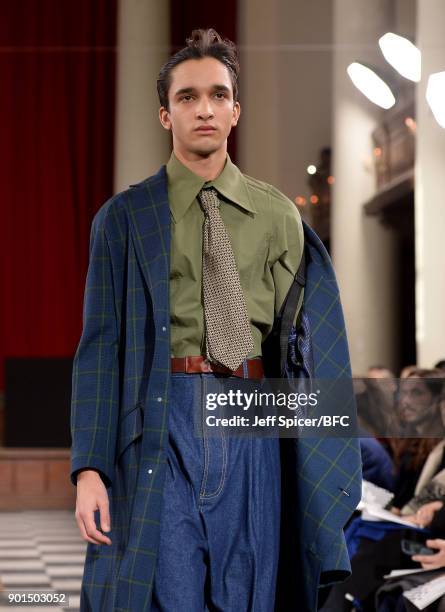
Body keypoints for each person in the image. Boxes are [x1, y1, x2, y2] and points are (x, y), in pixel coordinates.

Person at [70, 28, 360, 611]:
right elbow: (100, 347)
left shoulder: (278, 214)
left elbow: (302, 345)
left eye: (218, 95)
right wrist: (89, 469)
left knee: (249, 593)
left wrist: (322, 454)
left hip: (251, 412)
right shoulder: (124, 219)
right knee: (170, 594)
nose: (204, 107)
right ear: (164, 114)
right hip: (160, 415)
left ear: (235, 111)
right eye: (187, 96)